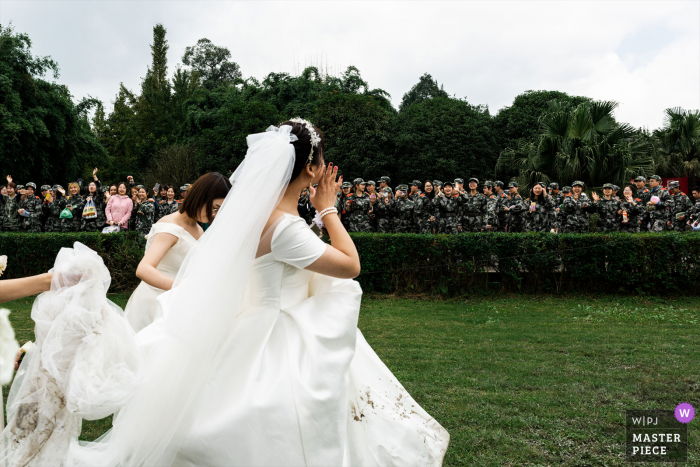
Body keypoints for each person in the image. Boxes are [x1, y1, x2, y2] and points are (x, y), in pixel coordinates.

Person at [3, 121, 449, 466]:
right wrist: (329, 209)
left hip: (243, 320)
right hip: (276, 329)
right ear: (312, 168)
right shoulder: (287, 228)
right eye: (322, 162)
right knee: (286, 419)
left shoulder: (253, 217)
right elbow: (350, 265)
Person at [124, 173, 230, 333]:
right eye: (214, 207)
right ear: (201, 197)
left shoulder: (199, 229)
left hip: (176, 303)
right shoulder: (170, 228)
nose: (214, 214)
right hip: (153, 303)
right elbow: (144, 269)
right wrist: (183, 287)